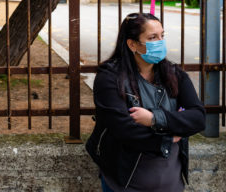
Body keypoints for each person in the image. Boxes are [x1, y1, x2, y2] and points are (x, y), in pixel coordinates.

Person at [86, 12, 205, 192]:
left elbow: (198, 118)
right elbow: (124, 130)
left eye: (162, 36)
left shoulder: (175, 74)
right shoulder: (110, 78)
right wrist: (169, 136)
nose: (160, 42)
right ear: (132, 44)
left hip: (171, 182)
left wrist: (154, 118)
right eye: (152, 37)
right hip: (123, 182)